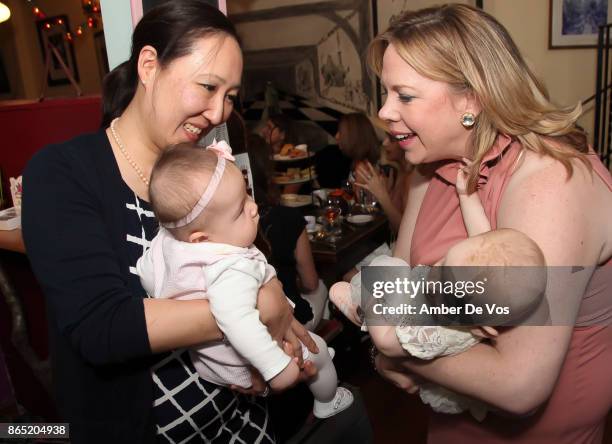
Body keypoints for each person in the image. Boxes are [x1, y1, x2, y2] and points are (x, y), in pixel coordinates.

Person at [21, 2, 317, 443]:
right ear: (148, 65)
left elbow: (245, 254)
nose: (219, 114)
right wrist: (254, 306)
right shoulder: (63, 173)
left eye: (231, 96)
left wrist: (268, 295)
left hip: (246, 425)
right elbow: (104, 327)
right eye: (207, 87)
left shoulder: (204, 167)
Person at [367, 4, 612, 443]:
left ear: (472, 99)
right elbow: (392, 283)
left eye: (403, 95)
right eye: (385, 93)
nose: (384, 112)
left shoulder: (552, 181)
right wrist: (388, 341)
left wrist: (394, 350)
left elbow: (519, 383)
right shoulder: (427, 167)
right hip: (449, 426)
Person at [136, 142, 353, 418]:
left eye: (247, 196)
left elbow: (146, 271)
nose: (253, 208)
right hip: (243, 361)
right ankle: (328, 400)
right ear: (202, 237)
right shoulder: (231, 268)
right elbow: (236, 320)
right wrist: (277, 367)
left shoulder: (167, 241)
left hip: (210, 359)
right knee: (318, 351)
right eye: (239, 210)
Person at [330, 163, 548, 421]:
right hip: (410, 312)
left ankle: (359, 311)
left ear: (481, 329)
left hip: (396, 329)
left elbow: (387, 342)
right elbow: (482, 236)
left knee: (354, 284)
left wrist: (373, 295)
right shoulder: (475, 297)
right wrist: (467, 196)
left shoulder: (438, 330)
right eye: (445, 264)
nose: (436, 274)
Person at [248, 134, 328, 330]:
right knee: (323, 287)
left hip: (255, 327)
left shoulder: (226, 225)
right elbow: (310, 284)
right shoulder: (287, 217)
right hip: (291, 321)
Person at [354, 132, 413, 233]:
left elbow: (406, 232)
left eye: (391, 139)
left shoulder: (412, 179)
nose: (384, 143)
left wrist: (382, 195)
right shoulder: (399, 173)